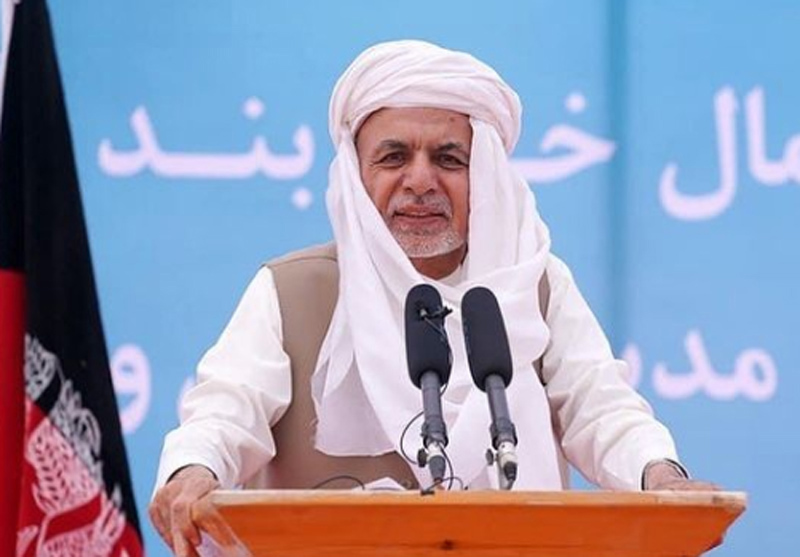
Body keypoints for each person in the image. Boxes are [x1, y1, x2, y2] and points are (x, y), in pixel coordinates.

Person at [149, 40, 717, 555]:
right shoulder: (293, 289)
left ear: (485, 175)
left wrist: (660, 475)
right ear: (356, 176)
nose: (420, 181)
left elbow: (602, 407)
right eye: (394, 157)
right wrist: (193, 468)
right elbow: (226, 410)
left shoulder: (534, 283)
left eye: (448, 159)